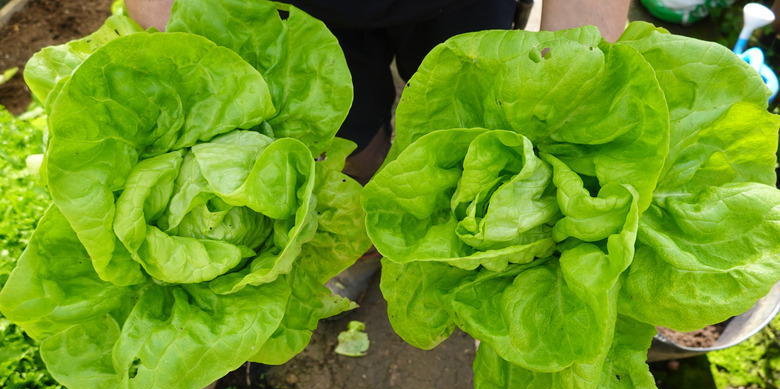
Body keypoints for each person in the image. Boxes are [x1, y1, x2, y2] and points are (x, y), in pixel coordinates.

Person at [124, 0, 631, 302]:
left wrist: (580, 61)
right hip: (306, 11)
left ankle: (437, 226)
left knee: (460, 118)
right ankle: (362, 239)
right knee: (344, 136)